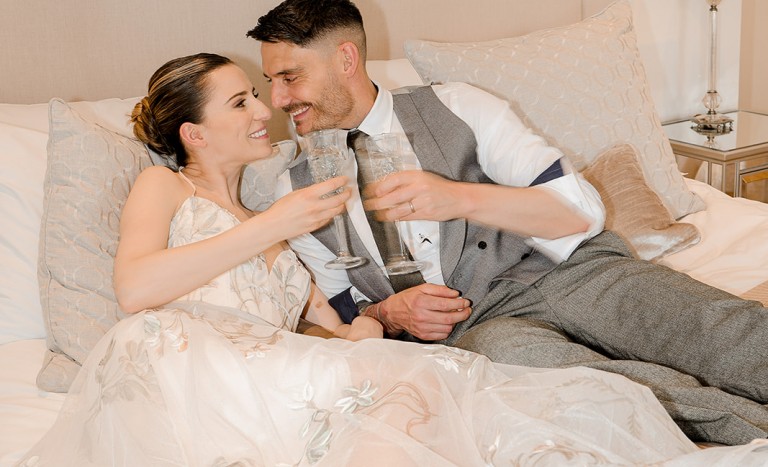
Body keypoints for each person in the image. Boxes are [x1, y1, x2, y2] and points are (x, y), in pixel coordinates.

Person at [18, 52, 768, 467]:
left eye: (268, 90)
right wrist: (293, 237)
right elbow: (136, 287)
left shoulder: (281, 206)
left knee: (696, 326)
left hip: (553, 271)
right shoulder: (171, 187)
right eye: (242, 100)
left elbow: (333, 325)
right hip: (199, 365)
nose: (266, 109)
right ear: (193, 132)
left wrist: (374, 327)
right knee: (508, 389)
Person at [248, 0, 768, 446]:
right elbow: (341, 307)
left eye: (290, 77)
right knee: (598, 389)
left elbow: (580, 212)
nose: (277, 100)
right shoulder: (293, 189)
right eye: (270, 81)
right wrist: (390, 312)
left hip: (567, 272)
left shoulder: (459, 106)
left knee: (715, 330)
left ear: (345, 59)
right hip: (476, 332)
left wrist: (459, 198)